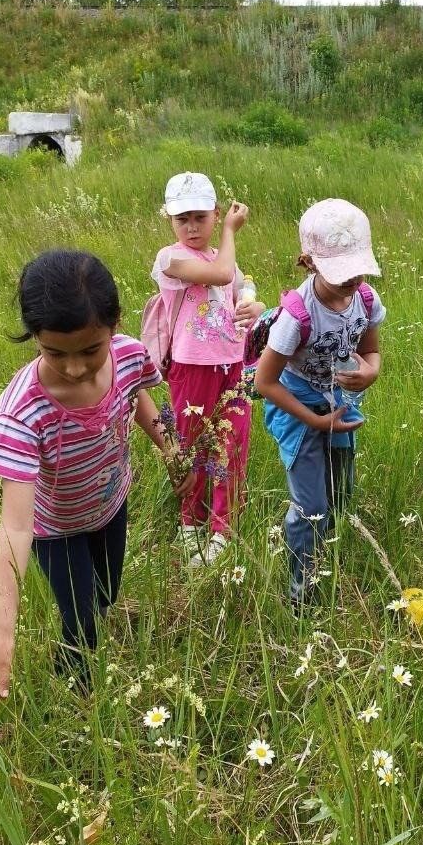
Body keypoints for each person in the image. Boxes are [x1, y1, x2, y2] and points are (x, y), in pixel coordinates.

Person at [0, 249, 180, 701]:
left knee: (106, 591)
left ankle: (87, 636)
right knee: (81, 615)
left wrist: (169, 448)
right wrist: (3, 634)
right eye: (54, 352)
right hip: (55, 529)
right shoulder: (23, 412)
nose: (75, 367)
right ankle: (76, 685)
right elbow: (15, 525)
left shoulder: (128, 356)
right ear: (34, 337)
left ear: (116, 323)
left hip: (111, 503)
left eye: (90, 349)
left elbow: (138, 396)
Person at [252, 199, 384, 612]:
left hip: (339, 406)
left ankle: (324, 557)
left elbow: (372, 352)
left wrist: (370, 373)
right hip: (299, 408)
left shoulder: (365, 298)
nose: (351, 279)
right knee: (312, 509)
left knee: (340, 495)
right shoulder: (298, 315)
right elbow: (264, 381)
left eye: (357, 268)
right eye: (339, 271)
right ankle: (301, 594)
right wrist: (313, 420)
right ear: (308, 262)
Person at [151, 172, 265, 567]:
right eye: (182, 219)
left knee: (232, 444)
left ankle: (222, 526)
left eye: (200, 217)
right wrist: (232, 232)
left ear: (215, 214)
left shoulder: (224, 259)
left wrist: (256, 306)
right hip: (191, 366)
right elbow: (219, 275)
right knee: (194, 441)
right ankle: (191, 521)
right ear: (170, 220)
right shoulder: (170, 258)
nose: (192, 227)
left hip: (233, 363)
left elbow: (237, 286)